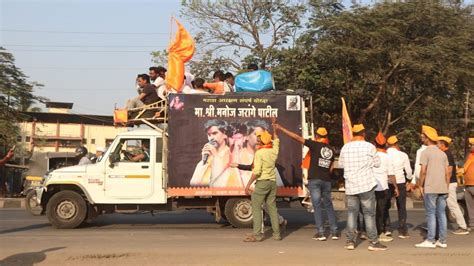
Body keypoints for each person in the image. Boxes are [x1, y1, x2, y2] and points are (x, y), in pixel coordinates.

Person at [275, 124, 339, 241]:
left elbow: (296, 137)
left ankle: (321, 233)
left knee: (317, 206)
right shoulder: (331, 149)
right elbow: (331, 168)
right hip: (326, 180)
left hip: (314, 179)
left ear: (317, 135)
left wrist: (281, 128)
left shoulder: (315, 145)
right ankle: (334, 232)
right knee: (329, 205)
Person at [338, 124, 386, 251]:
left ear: (353, 134)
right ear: (364, 133)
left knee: (351, 214)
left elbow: (341, 164)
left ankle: (350, 241)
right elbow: (377, 163)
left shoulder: (345, 147)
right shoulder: (369, 147)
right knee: (369, 214)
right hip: (366, 185)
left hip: (351, 186)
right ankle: (373, 242)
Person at [243, 125, 281, 242]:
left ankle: (257, 235)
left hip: (262, 182)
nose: (258, 139)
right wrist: (275, 128)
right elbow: (277, 140)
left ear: (262, 141)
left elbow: (257, 172)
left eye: (259, 138)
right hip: (272, 182)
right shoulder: (273, 151)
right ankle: (277, 234)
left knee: (256, 207)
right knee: (272, 208)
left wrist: (248, 184)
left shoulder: (260, 153)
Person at [415, 125, 450, 248]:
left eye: (423, 136)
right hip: (443, 188)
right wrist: (446, 187)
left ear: (427, 138)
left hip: (431, 187)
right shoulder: (442, 154)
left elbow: (423, 171)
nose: (421, 137)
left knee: (430, 213)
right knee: (441, 214)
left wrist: (420, 185)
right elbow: (447, 173)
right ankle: (442, 241)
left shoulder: (425, 153)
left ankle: (430, 240)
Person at [190, 120, 240, 187]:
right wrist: (204, 162)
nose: (211, 138)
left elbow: (224, 184)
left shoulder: (233, 156)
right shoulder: (207, 157)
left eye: (214, 133)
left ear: (225, 134)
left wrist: (216, 156)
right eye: (209, 135)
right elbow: (193, 185)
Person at [437, 136, 469, 235]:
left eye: (438, 143)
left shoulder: (447, 155)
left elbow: (449, 171)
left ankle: (463, 227)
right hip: (448, 183)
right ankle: (436, 226)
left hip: (449, 183)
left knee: (453, 205)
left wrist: (445, 186)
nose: (437, 145)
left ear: (443, 145)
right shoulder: (445, 154)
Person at [385, 135, 413, 239]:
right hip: (400, 182)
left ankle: (387, 228)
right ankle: (402, 230)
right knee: (401, 206)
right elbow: (409, 171)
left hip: (387, 182)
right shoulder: (403, 155)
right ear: (397, 144)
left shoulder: (385, 154)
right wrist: (409, 180)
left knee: (386, 205)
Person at [373, 132, 399, 242]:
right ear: (385, 145)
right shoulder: (388, 157)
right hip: (382, 187)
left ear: (375, 144)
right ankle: (380, 232)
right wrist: (396, 187)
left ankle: (365, 231)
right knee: (380, 211)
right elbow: (391, 175)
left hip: (369, 186)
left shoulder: (371, 156)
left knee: (368, 210)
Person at [463, 137, 474, 230]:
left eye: (472, 145)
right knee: (470, 207)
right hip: (468, 185)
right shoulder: (469, 156)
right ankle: (472, 225)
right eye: (470, 145)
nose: (470, 146)